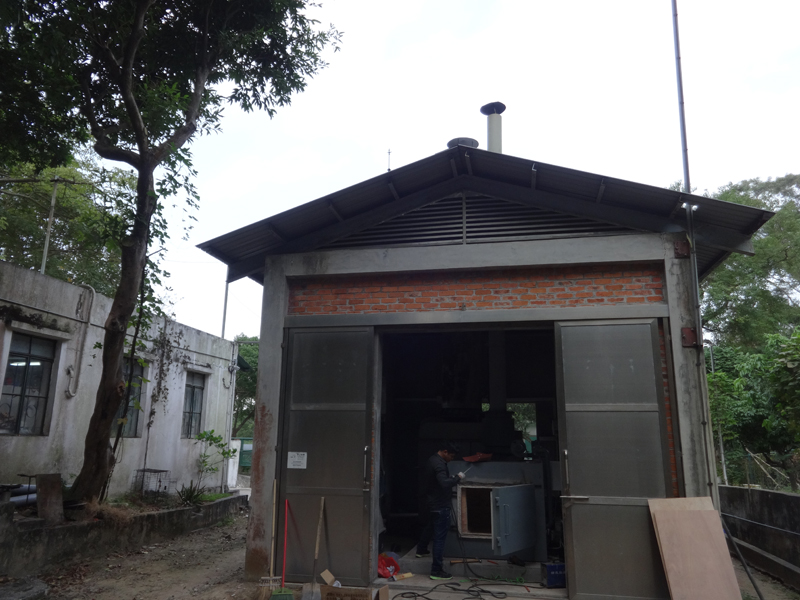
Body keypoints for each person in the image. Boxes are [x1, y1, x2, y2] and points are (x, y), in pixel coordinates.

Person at [415, 442, 465, 580]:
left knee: (431, 526)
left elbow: (437, 481)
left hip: (431, 503)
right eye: (451, 456)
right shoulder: (440, 465)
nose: (452, 459)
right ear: (445, 452)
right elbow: (444, 483)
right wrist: (458, 478)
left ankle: (421, 549)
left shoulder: (432, 459)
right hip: (440, 505)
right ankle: (436, 570)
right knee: (439, 539)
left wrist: (451, 478)